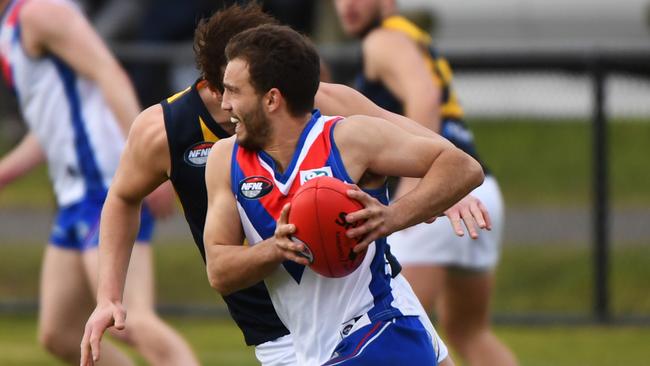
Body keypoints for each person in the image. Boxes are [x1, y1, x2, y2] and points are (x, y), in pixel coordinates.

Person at [80, 4, 490, 365]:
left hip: (372, 302)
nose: (229, 106)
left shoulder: (316, 105)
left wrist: (439, 192)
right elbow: (122, 199)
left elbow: (415, 141)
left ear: (271, 92)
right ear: (211, 84)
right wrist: (109, 296)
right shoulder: (168, 132)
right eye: (229, 91)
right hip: (274, 325)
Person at [202, 23, 485, 365]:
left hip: (381, 326)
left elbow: (462, 166)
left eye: (234, 91)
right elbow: (219, 271)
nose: (225, 104)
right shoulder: (224, 160)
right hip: (316, 349)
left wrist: (392, 216)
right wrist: (276, 248)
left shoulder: (349, 139)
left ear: (272, 99)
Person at [0, 0, 199, 365]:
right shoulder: (9, 31)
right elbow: (49, 127)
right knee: (59, 332)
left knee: (130, 321)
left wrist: (146, 162)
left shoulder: (40, 12)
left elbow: (111, 74)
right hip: (74, 193)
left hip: (105, 185)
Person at [333, 1, 518, 365]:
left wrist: (417, 190)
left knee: (389, 333)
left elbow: (425, 98)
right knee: (469, 332)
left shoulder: (382, 40)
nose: (347, 5)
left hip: (443, 188)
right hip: (479, 186)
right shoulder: (410, 35)